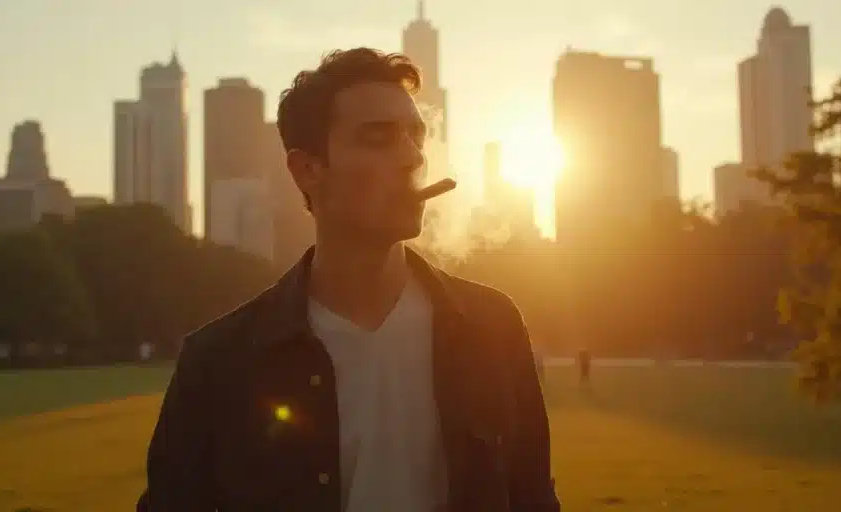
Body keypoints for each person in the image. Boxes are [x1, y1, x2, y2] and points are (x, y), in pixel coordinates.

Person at [138, 48, 560, 511]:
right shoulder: (218, 362)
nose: (412, 158)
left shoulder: (493, 327)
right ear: (308, 170)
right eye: (378, 139)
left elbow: (533, 499)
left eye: (416, 137)